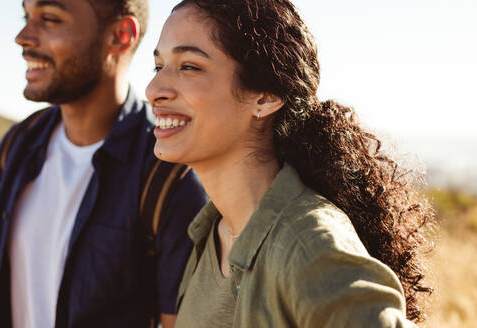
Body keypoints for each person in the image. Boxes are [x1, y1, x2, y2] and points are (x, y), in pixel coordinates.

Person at [145, 0, 435, 327]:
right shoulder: (208, 237)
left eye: (189, 67)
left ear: (266, 96)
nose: (153, 90)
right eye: (158, 67)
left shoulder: (308, 242)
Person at [0, 0, 207, 327]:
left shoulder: (170, 173)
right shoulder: (18, 145)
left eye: (49, 19)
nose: (22, 37)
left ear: (120, 35)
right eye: (25, 16)